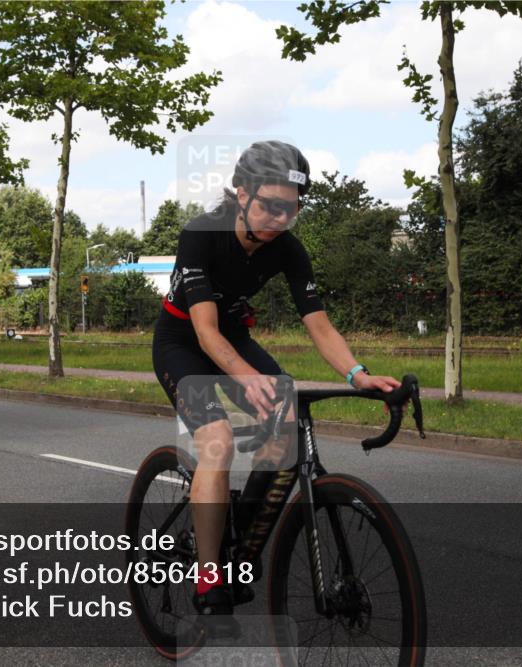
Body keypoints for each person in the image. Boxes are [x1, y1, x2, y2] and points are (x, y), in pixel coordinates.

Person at [152, 140, 403, 622]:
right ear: (241, 193)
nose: (281, 219)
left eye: (292, 210)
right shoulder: (202, 234)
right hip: (183, 342)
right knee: (219, 442)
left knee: (288, 423)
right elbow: (204, 332)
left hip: (235, 338)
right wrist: (247, 380)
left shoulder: (287, 249)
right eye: (271, 206)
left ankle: (243, 540)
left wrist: (358, 374)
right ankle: (207, 577)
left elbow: (320, 326)